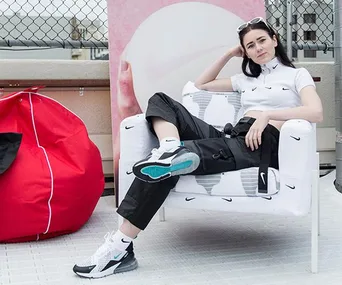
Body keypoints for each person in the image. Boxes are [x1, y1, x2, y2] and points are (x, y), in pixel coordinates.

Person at [72, 17, 323, 278]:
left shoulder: (296, 75)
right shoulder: (245, 80)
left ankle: (118, 248)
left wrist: (268, 116)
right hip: (232, 137)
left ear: (274, 40)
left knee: (164, 169)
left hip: (260, 142)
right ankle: (171, 148)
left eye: (261, 40)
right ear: (244, 52)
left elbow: (315, 112)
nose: (258, 48)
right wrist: (228, 53)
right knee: (161, 101)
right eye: (250, 46)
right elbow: (200, 84)